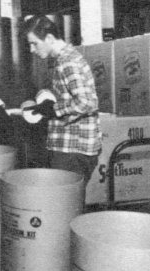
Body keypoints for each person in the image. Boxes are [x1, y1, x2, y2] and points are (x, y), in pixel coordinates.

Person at [22, 15, 102, 185]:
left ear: (49, 38)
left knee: (64, 205)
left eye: (34, 43)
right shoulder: (65, 59)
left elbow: (87, 102)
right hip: (68, 147)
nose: (31, 49)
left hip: (72, 150)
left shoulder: (67, 62)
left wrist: (54, 109)